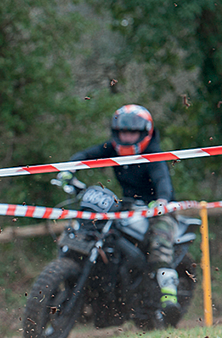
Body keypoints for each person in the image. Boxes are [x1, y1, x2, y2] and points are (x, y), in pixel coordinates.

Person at [59, 104, 181, 325]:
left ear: (145, 133)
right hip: (127, 206)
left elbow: (163, 180)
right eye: (122, 132)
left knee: (158, 243)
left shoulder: (154, 154)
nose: (126, 137)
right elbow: (86, 154)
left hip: (160, 208)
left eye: (132, 132)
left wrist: (161, 200)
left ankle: (169, 295)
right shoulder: (113, 149)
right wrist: (69, 169)